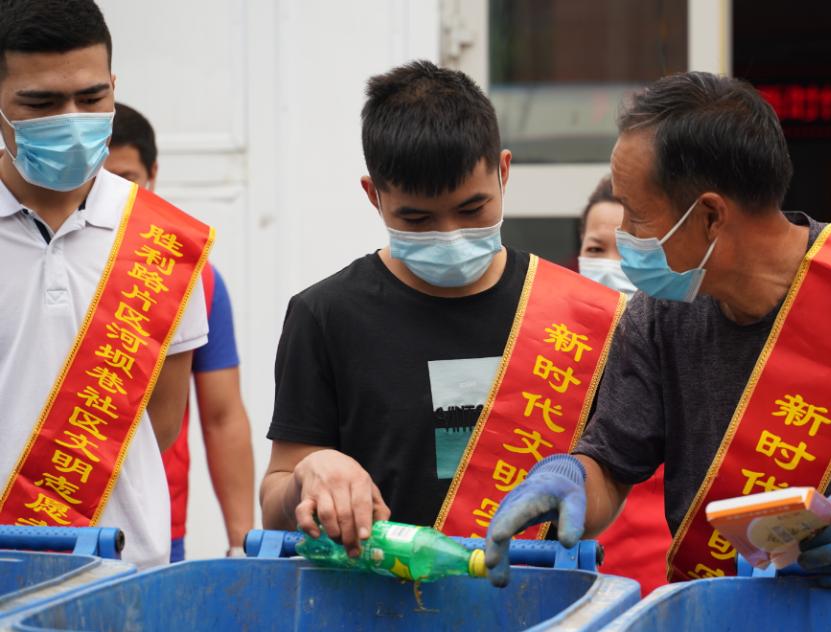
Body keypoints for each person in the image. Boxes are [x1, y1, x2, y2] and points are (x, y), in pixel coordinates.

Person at [484, 72, 831, 588]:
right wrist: (570, 477)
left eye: (636, 214)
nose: (625, 234)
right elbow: (612, 465)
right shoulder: (659, 315)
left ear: (709, 216)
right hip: (725, 613)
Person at [259, 61, 624, 558]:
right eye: (417, 217)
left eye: (472, 209)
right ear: (374, 196)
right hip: (380, 604)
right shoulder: (325, 316)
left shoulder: (579, 315)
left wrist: (581, 482)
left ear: (504, 170)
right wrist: (310, 472)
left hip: (541, 601)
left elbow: (613, 481)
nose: (450, 234)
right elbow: (277, 494)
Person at [0, 0, 213, 569]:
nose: (71, 118)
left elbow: (163, 421)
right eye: (40, 103)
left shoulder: (163, 238)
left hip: (127, 569)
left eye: (92, 98)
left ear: (114, 86)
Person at [106, 103, 255, 562]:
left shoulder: (191, 278)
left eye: (125, 178)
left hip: (153, 529)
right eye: (100, 179)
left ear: (152, 174)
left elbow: (223, 416)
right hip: (35, 521)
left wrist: (241, 545)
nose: (111, 194)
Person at [578, 175, 668, 595]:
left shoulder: (683, 348)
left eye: (629, 249)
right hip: (580, 589)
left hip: (671, 589)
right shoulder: (546, 357)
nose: (611, 266)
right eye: (596, 250)